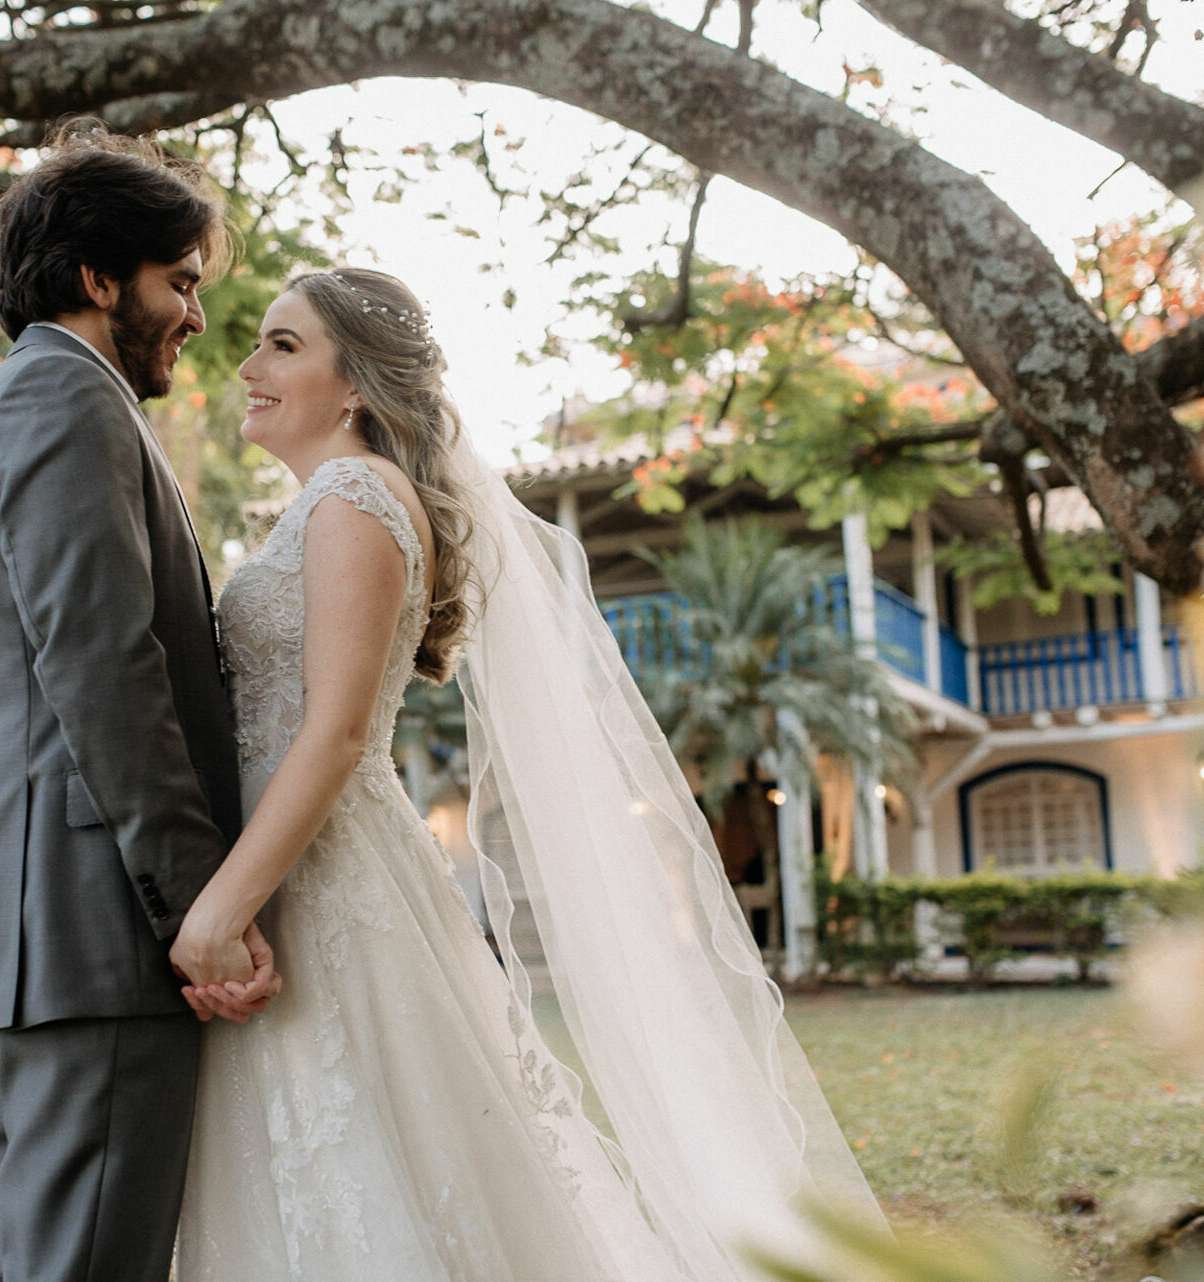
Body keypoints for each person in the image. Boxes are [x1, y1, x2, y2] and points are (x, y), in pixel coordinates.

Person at [170, 267, 884, 1279]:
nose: (247, 366)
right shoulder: (343, 501)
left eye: (283, 345)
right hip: (314, 870)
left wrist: (218, 912)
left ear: (359, 383)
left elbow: (329, 736)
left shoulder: (354, 493)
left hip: (317, 881)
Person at [0, 123, 278, 1282]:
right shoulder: (63, 401)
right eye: (180, 282)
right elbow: (105, 672)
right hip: (88, 937)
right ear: (96, 275)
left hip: (37, 943)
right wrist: (196, 908)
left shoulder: (22, 399)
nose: (197, 315)